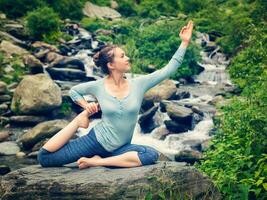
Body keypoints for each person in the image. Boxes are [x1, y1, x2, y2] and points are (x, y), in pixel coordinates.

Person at [37, 20, 194, 169]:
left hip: (120, 148)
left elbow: (168, 69)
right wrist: (85, 108)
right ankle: (79, 121)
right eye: (122, 56)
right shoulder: (98, 86)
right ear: (111, 65)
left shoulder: (139, 84)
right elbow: (74, 91)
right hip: (96, 141)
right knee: (45, 158)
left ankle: (97, 162)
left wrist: (184, 42)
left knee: (150, 154)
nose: (127, 58)